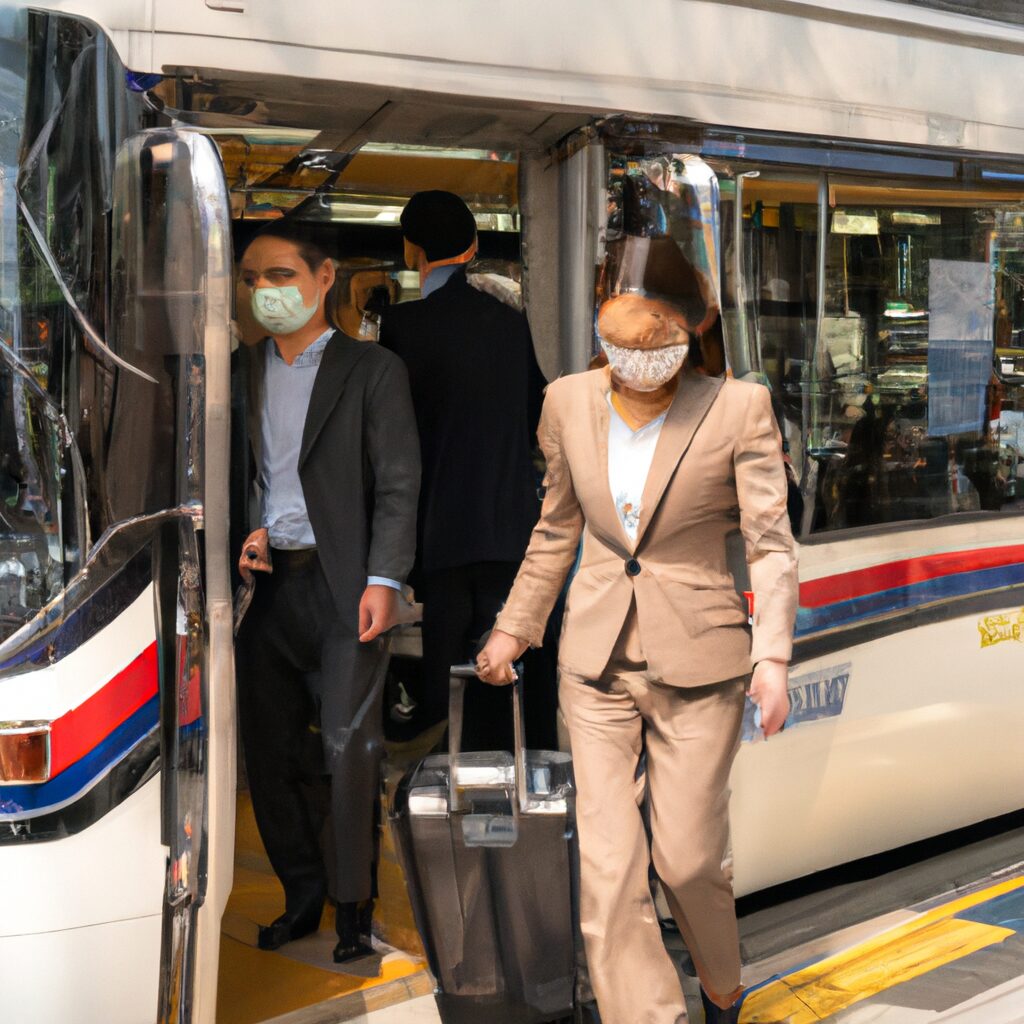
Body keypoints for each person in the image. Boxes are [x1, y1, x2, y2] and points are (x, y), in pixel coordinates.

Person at [476, 233, 799, 1023]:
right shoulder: (566, 404)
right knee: (609, 872)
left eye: (652, 343)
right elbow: (555, 530)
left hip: (700, 661)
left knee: (687, 863)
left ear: (688, 336)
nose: (634, 360)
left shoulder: (736, 407)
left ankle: (722, 985)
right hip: (594, 666)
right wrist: (514, 630)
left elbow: (768, 540)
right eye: (618, 343)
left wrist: (774, 655)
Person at [234, 221, 420, 964]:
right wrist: (240, 534)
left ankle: (352, 904)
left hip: (346, 589)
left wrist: (385, 579)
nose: (265, 292)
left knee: (350, 750)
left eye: (281, 275)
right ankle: (301, 894)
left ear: (323, 279)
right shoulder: (240, 369)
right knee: (270, 752)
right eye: (252, 279)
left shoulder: (372, 370)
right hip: (265, 591)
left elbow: (400, 484)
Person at [379, 190, 548, 750]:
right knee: (505, 675)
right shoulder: (509, 323)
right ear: (474, 246)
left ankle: (456, 797)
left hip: (441, 537)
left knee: (446, 684)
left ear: (412, 252)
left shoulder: (403, 328)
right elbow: (535, 417)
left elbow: (394, 441)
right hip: (512, 531)